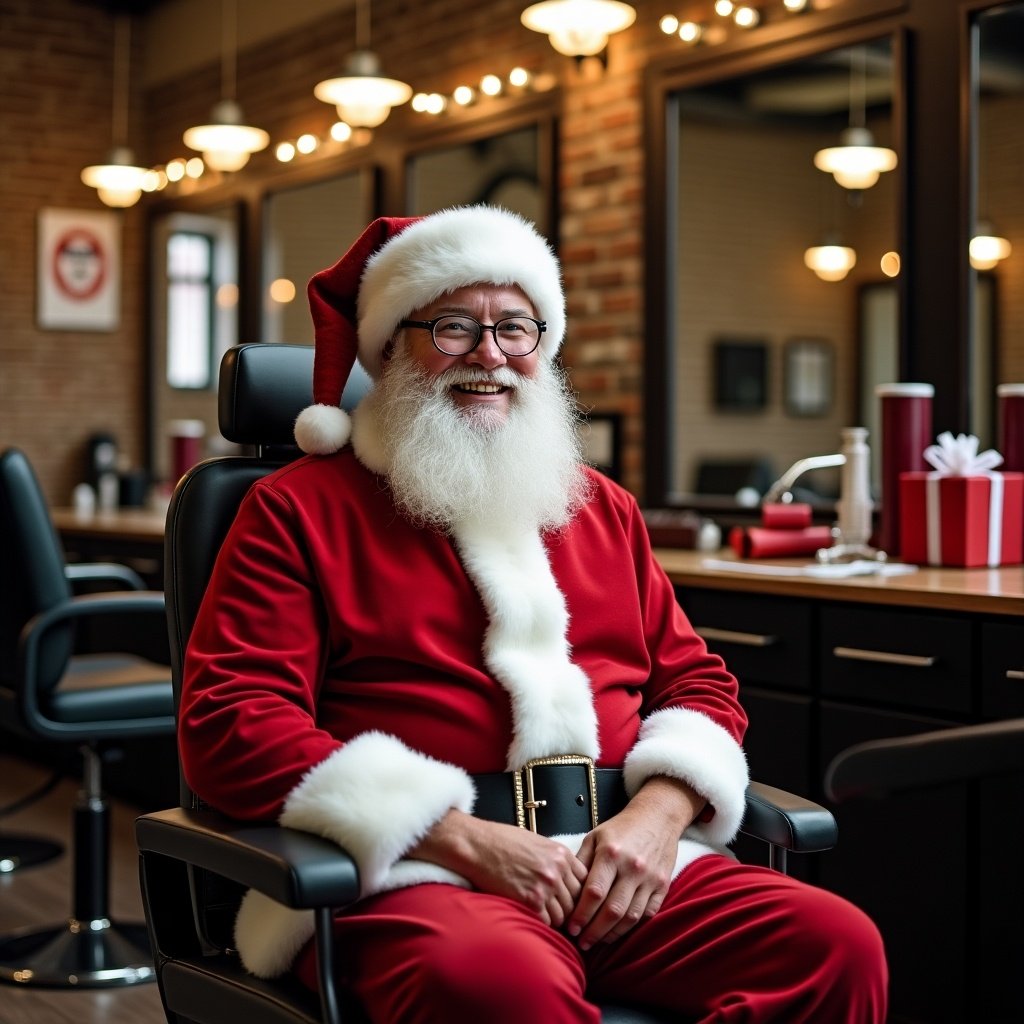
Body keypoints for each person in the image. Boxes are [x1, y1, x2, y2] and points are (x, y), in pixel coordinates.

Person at [178, 204, 887, 1023]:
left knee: (835, 947)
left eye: (516, 328)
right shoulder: (296, 511)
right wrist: (459, 838)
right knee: (497, 986)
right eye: (452, 326)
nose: (489, 355)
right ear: (388, 348)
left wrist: (659, 817)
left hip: (617, 859)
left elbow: (697, 683)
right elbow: (233, 720)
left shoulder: (602, 509)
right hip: (420, 868)